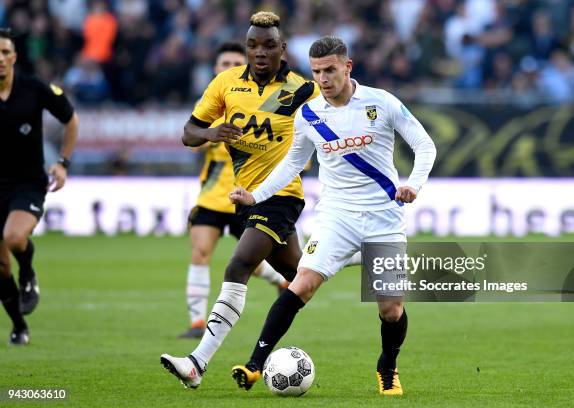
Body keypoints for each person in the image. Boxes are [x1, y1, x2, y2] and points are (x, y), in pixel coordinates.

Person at [230, 36, 436, 396]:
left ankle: (388, 366)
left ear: (347, 67)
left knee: (391, 309)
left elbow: (424, 145)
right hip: (336, 216)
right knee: (303, 282)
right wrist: (256, 195)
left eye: (329, 70)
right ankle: (253, 366)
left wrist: (414, 185)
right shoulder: (308, 114)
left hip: (384, 217)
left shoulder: (381, 102)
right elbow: (292, 163)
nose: (323, 79)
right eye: (316, 72)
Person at [160, 11, 319, 388]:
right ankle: (366, 259)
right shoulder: (226, 83)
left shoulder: (302, 90)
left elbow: (337, 121)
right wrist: (213, 131)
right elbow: (188, 132)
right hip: (246, 199)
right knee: (302, 275)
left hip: (281, 196)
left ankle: (197, 363)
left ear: (282, 48)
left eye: (268, 45)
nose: (259, 52)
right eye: (252, 45)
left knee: (238, 265)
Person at [179, 41, 289, 339]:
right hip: (213, 198)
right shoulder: (212, 106)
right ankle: (196, 323)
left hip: (250, 198)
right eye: (223, 64)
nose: (229, 68)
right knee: (200, 252)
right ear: (216, 69)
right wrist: (209, 133)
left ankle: (279, 280)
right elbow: (189, 142)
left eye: (234, 64)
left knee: (248, 263)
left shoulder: (270, 105)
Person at [0, 28, 79, 345]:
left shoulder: (34, 89)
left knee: (14, 236)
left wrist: (63, 162)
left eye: (5, 52)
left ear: (14, 57)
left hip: (27, 183)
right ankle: (19, 325)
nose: (0, 59)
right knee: (0, 267)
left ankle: (29, 272)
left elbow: (70, 119)